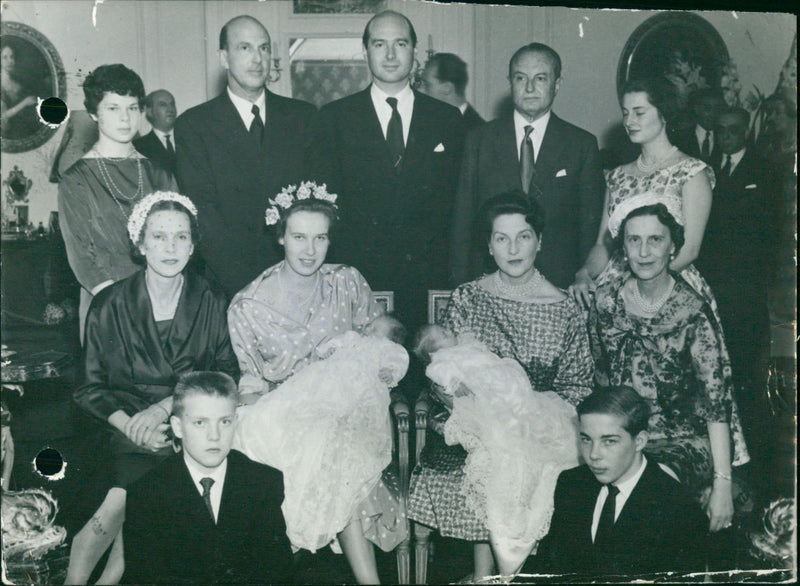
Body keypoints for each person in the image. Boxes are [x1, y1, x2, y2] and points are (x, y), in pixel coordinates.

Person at [408, 192, 593, 581]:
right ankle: (491, 575)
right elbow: (443, 369)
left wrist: (530, 412)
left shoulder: (565, 309)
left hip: (542, 420)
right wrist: (465, 401)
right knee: (495, 458)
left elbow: (578, 386)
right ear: (488, 245)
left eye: (523, 237)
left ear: (539, 241)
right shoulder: (468, 297)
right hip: (475, 420)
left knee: (534, 465)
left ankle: (510, 574)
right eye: (501, 238)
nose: (513, 248)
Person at [227, 182, 407, 584]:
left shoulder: (347, 282)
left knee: (337, 446)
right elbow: (252, 380)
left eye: (320, 238)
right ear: (280, 237)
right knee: (315, 449)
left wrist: (381, 374)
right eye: (299, 237)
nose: (310, 250)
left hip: (347, 411)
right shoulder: (248, 304)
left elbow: (376, 346)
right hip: (287, 413)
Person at [65, 192, 238, 584]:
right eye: (158, 237)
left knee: (143, 485)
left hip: (184, 423)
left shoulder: (211, 299)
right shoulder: (109, 303)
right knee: (126, 487)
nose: (170, 248)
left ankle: (106, 579)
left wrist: (163, 411)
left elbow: (226, 372)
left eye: (181, 237)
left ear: (193, 247)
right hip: (117, 422)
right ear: (140, 245)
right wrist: (131, 426)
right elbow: (89, 387)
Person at [589, 203, 749, 535]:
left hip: (685, 441)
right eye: (634, 240)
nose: (644, 252)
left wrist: (722, 483)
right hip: (625, 435)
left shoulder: (693, 312)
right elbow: (601, 384)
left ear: (673, 245)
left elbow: (717, 406)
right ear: (623, 247)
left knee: (647, 486)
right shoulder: (606, 304)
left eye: (655, 240)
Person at [310, 10, 465, 329]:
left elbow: (458, 205)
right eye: (380, 44)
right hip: (362, 279)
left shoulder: (447, 119)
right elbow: (327, 208)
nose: (391, 55)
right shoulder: (335, 118)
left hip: (429, 280)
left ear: (415, 52)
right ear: (365, 52)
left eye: (401, 44)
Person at [233, 313, 409, 553]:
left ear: (390, 335)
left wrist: (391, 372)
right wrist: (329, 351)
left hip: (360, 387)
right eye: (369, 324)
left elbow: (399, 362)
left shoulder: (389, 349)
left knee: (342, 412)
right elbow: (328, 347)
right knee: (304, 398)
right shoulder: (352, 338)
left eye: (376, 327)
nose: (368, 328)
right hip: (327, 378)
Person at [413, 324, 579, 575]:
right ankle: (505, 560)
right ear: (433, 351)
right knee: (508, 448)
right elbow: (447, 386)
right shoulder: (440, 363)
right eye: (443, 335)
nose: (450, 331)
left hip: (504, 387)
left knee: (546, 423)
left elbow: (491, 361)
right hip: (483, 402)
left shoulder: (467, 345)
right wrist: (454, 386)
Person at [175, 15, 316, 299]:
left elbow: (315, 205)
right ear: (224, 58)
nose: (257, 59)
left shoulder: (303, 117)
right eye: (245, 48)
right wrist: (252, 289)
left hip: (299, 283)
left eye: (264, 48)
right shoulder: (194, 125)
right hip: (228, 287)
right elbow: (203, 215)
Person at [450, 42, 604, 288]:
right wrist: (460, 285)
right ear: (510, 82)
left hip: (557, 284)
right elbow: (463, 221)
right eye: (521, 78)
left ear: (557, 83)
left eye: (540, 78)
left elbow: (589, 228)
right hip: (489, 283)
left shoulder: (581, 145)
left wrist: (582, 281)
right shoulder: (479, 140)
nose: (530, 88)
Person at [123, 371, 292, 584]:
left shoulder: (263, 482)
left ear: (236, 422)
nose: (214, 436)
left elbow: (276, 571)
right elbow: (144, 577)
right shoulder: (147, 493)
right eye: (200, 423)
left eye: (224, 422)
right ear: (177, 427)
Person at [533, 386, 708, 577]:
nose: (594, 454)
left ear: (640, 441)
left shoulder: (678, 509)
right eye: (586, 439)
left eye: (609, 441)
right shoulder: (572, 484)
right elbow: (550, 568)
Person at [58, 64, 177, 341]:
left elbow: (178, 243)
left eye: (132, 108)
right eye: (113, 108)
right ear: (93, 114)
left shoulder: (159, 174)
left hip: (164, 304)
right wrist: (128, 306)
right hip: (108, 308)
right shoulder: (76, 179)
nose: (125, 118)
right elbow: (82, 260)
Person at [696, 106, 779, 469]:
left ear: (746, 131)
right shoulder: (706, 169)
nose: (727, 136)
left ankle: (751, 461)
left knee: (745, 374)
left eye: (733, 130)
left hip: (745, 290)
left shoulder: (765, 171)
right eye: (721, 130)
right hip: (713, 286)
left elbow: (773, 232)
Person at [419, 52, 484, 130]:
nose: (420, 90)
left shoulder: (480, 133)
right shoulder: (427, 123)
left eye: (427, 85)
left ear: (447, 88)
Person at [677, 88, 725, 168]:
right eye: (707, 108)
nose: (713, 114)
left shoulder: (724, 138)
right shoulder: (681, 137)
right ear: (696, 109)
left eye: (718, 109)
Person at [133, 89, 178, 175]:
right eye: (163, 105)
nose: (170, 109)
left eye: (172, 104)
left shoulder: (189, 139)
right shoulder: (138, 147)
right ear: (150, 112)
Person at [0, 41, 39, 138]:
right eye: (5, 57)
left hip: (25, 122)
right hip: (11, 130)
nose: (10, 61)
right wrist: (25, 103)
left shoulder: (15, 78)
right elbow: (3, 116)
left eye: (12, 57)